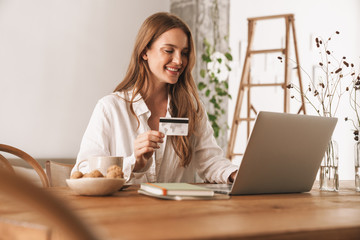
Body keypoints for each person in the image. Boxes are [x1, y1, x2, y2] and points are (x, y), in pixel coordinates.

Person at [72, 12, 238, 184]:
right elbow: (84, 172)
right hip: (124, 211)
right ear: (145, 51)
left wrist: (235, 174)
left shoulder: (192, 108)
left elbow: (210, 161)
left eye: (185, 52)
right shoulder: (110, 108)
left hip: (178, 209)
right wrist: (134, 163)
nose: (179, 60)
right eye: (169, 50)